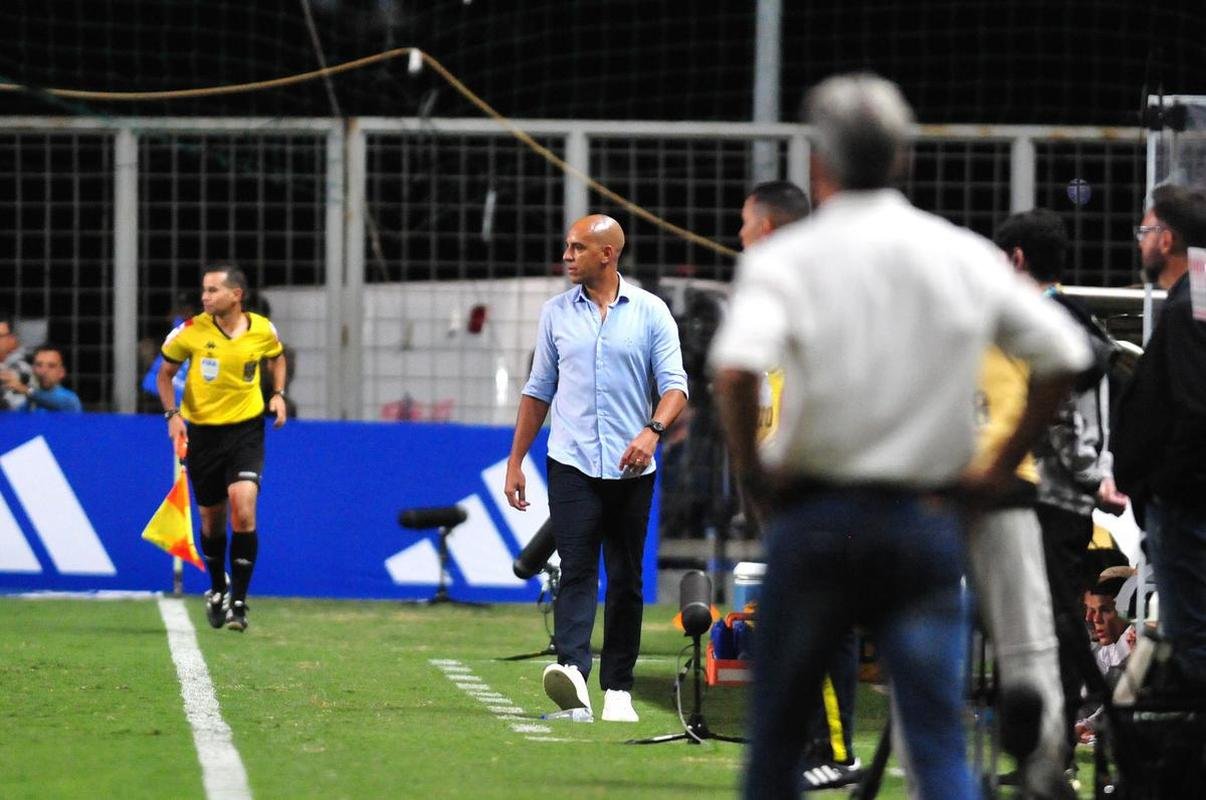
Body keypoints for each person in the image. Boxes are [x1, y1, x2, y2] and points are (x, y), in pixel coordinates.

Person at [708, 72, 1092, 799]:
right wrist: (995, 466)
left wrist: (756, 474)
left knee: (776, 748)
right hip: (924, 517)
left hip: (816, 516)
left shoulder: (785, 260)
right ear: (903, 159)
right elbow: (1064, 356)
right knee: (936, 737)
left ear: (819, 166)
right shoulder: (958, 254)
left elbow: (734, 371)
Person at [504, 214, 688, 722]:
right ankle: (573, 677)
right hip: (572, 463)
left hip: (633, 470)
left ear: (607, 255)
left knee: (626, 578)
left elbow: (676, 386)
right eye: (567, 247)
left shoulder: (652, 313)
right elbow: (538, 390)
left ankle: (620, 690)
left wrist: (651, 432)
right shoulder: (555, 315)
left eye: (577, 248)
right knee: (577, 570)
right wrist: (515, 461)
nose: (566, 256)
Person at [991, 207, 1127, 776]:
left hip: (1049, 499)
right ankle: (1046, 753)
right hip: (1062, 498)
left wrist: (1089, 477)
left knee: (1046, 629)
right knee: (1049, 627)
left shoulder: (1048, 325)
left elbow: (1065, 421)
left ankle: (1053, 754)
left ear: (1016, 259)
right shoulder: (1081, 319)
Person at [740, 181, 862, 792]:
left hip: (819, 488)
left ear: (766, 226)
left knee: (826, 618)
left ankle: (838, 752)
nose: (740, 236)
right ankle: (820, 744)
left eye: (745, 223)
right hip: (793, 490)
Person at [157, 264, 288, 633]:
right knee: (211, 523)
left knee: (243, 509)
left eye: (213, 290)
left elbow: (276, 357)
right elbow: (164, 374)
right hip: (203, 435)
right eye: (204, 290)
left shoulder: (262, 329)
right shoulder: (191, 331)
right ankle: (218, 587)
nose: (205, 297)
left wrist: (277, 394)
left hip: (246, 431)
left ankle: (240, 604)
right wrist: (173, 415)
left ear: (236, 295)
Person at [1113, 183, 1206, 690]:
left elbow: (1194, 410)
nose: (1141, 241)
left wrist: (1163, 486)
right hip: (1182, 506)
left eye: (1146, 230)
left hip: (1185, 509)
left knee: (1193, 642)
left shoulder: (1187, 307)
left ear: (1166, 239)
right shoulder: (1195, 300)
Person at [3, 345, 83, 413]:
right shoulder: (28, 402)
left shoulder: (70, 399)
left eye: (51, 366)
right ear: (33, 369)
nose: (44, 371)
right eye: (39, 365)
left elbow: (54, 402)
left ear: (61, 372)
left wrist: (23, 389)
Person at [0, 314, 32, 411]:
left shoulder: (24, 369)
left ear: (11, 339)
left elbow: (36, 400)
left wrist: (25, 390)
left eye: (0, 336)